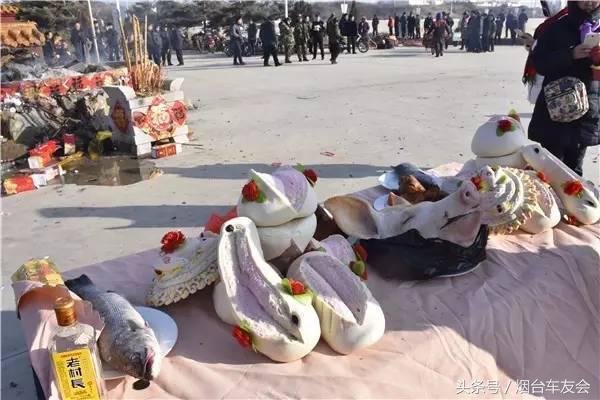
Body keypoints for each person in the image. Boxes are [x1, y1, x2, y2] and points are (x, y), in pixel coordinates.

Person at [528, 0, 599, 176]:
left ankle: (573, 202)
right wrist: (570, 54)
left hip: (587, 108)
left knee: (574, 171)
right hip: (555, 111)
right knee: (551, 170)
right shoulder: (557, 28)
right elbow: (540, 62)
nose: (589, 2)